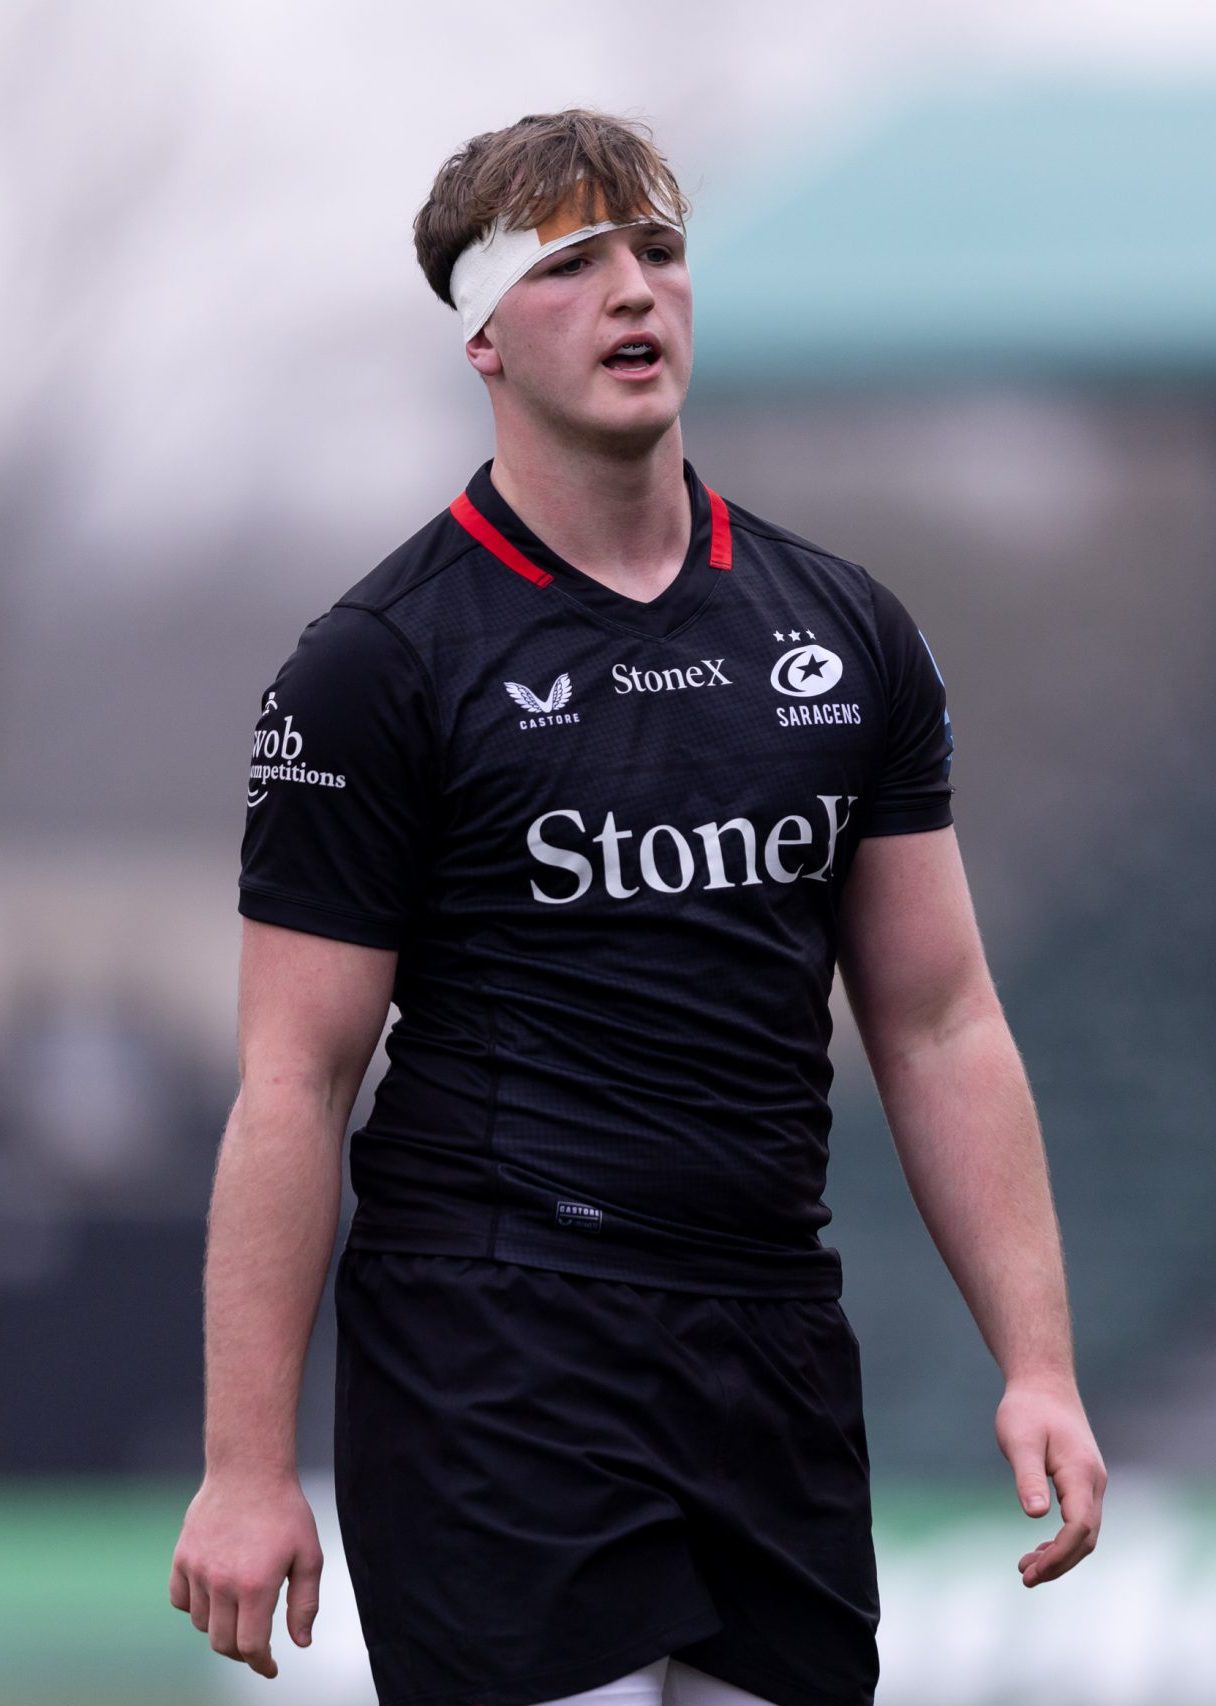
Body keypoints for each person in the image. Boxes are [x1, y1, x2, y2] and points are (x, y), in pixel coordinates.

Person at [169, 108, 1106, 1706]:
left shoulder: (845, 631)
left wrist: (1040, 1362)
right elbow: (295, 1079)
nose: (634, 295)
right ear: (480, 335)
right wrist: (244, 1466)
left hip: (768, 1340)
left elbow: (940, 1017)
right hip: (496, 1348)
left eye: (660, 254)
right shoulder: (378, 663)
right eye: (574, 265)